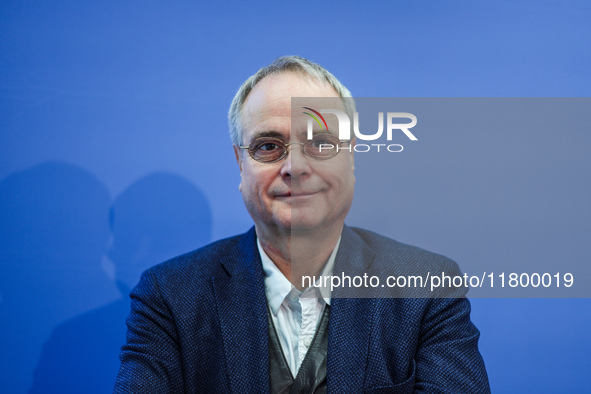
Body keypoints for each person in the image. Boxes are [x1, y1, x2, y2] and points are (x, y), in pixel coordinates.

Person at [114, 56, 490, 393]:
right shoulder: (169, 296)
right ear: (239, 165)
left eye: (321, 144)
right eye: (268, 146)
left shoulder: (427, 287)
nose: (295, 166)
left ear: (351, 158)